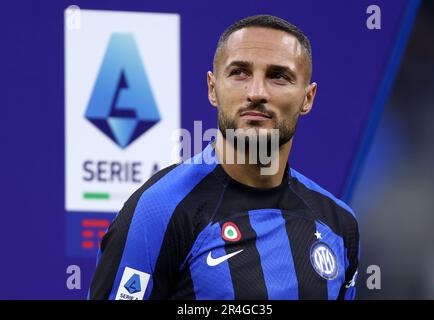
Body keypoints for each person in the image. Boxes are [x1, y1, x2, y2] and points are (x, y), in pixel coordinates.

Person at [89, 14, 359, 300]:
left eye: (278, 76)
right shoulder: (159, 211)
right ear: (212, 88)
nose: (256, 92)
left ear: (308, 98)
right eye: (239, 72)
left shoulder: (339, 225)